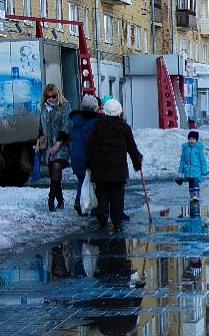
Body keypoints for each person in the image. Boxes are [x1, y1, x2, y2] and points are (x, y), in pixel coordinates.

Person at [85, 98, 143, 231]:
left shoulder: (98, 125)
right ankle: (117, 220)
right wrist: (137, 162)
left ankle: (103, 214)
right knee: (117, 196)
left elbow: (90, 145)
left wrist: (88, 162)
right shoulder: (124, 127)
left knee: (102, 193)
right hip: (118, 170)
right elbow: (132, 148)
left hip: (99, 168)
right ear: (119, 112)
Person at [37, 84, 73, 211]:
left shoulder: (65, 106)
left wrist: (58, 144)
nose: (51, 99)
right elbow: (40, 129)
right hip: (48, 147)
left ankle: (50, 199)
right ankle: (60, 200)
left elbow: (66, 126)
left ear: (58, 95)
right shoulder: (43, 109)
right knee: (53, 174)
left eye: (53, 96)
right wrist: (39, 142)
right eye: (48, 96)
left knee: (57, 168)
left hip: (62, 144)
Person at [69, 94, 102, 216]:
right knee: (89, 182)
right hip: (88, 156)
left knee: (81, 180)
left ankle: (80, 203)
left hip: (76, 156)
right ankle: (84, 204)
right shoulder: (95, 122)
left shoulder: (76, 121)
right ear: (95, 108)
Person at [177, 130, 208, 201]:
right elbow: (183, 161)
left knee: (195, 181)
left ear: (196, 140)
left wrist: (204, 170)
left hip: (197, 169)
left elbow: (203, 160)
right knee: (190, 182)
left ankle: (196, 194)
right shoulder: (186, 149)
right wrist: (180, 170)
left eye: (193, 139)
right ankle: (192, 195)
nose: (191, 141)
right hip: (188, 169)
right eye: (190, 139)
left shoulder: (199, 149)